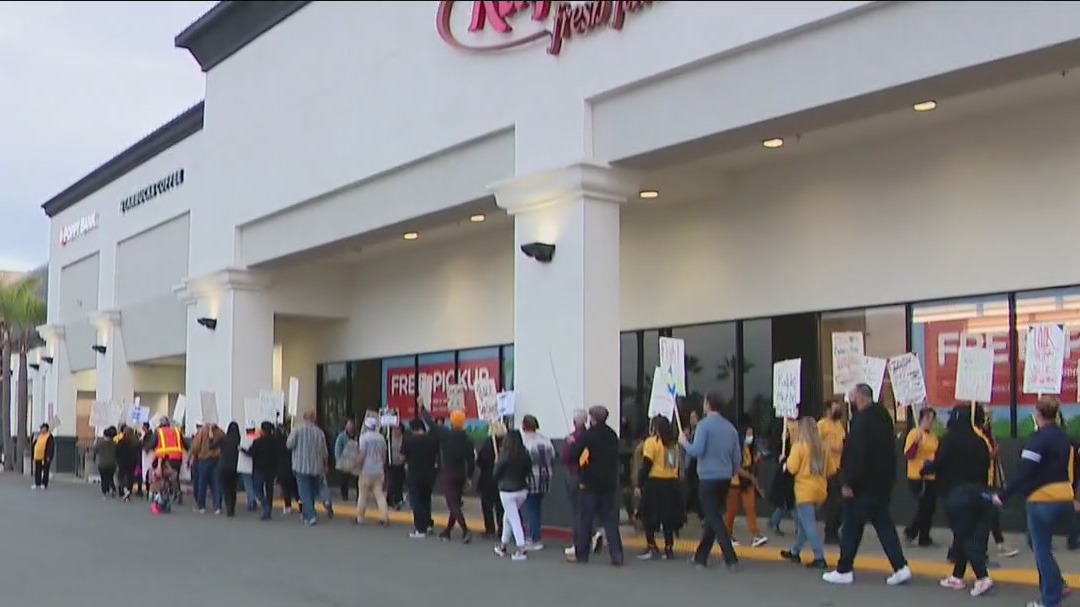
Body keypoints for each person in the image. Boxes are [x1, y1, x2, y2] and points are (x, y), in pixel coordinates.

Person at [823, 384, 911, 586]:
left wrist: (849, 481)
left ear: (861, 398)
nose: (850, 403)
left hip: (862, 486)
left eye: (852, 398)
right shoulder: (884, 418)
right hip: (881, 484)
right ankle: (900, 566)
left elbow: (858, 455)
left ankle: (844, 569)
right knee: (882, 525)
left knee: (852, 526)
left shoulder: (862, 422)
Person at [994, 396, 1078, 607]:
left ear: (1037, 414)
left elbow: (1024, 472)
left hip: (1042, 499)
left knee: (1041, 549)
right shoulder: (1063, 437)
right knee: (1036, 542)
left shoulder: (1038, 439)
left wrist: (1003, 495)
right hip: (1064, 496)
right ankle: (1057, 583)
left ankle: (1050, 599)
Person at [922, 404, 994, 596]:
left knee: (964, 535)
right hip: (979, 493)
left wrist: (927, 468)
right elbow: (986, 464)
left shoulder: (948, 440)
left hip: (956, 494)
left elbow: (940, 463)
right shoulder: (980, 441)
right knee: (964, 535)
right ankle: (957, 576)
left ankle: (982, 576)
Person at [679, 393, 740, 570]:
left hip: (707, 477)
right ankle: (701, 556)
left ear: (708, 405)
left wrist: (684, 442)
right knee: (713, 517)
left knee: (713, 517)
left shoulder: (704, 426)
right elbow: (737, 458)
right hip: (725, 477)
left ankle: (730, 558)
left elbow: (696, 451)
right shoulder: (730, 428)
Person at [566, 405, 624, 565]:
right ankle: (616, 553)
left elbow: (573, 455)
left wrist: (572, 443)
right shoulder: (612, 435)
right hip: (608, 483)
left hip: (590, 483)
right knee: (610, 520)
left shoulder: (588, 436)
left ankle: (582, 554)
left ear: (593, 419)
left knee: (586, 519)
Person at [780, 417, 837, 569]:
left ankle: (819, 557)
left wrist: (784, 463)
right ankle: (795, 551)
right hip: (820, 490)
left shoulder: (799, 447)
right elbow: (831, 470)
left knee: (809, 525)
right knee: (805, 524)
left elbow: (792, 468)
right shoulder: (824, 448)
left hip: (804, 491)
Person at [421, 406, 476, 543]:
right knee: (455, 502)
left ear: (451, 422)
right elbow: (471, 460)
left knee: (453, 504)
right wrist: (469, 476)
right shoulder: (467, 439)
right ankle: (447, 531)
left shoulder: (445, 434)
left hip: (448, 473)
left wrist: (422, 407)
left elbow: (430, 423)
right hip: (461, 473)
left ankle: (465, 530)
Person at [636, 415, 684, 560]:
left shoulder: (652, 442)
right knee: (668, 518)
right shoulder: (674, 444)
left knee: (648, 516)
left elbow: (646, 465)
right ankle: (669, 548)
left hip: (655, 483)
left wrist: (639, 483)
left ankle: (652, 546)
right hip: (672, 484)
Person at [493, 429, 533, 561]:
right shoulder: (525, 454)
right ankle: (503, 545)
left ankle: (521, 548)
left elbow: (496, 473)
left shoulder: (504, 455)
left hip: (507, 490)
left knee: (513, 518)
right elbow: (528, 470)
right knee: (508, 517)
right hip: (522, 490)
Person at [903, 408, 939, 546]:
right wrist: (916, 444)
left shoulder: (933, 437)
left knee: (930, 507)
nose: (930, 423)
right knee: (924, 505)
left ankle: (924, 536)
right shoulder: (914, 434)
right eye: (928, 419)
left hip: (931, 475)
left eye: (932, 420)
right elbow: (908, 455)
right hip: (917, 475)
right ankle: (911, 531)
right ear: (921, 419)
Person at [727, 425, 767, 548]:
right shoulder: (735, 447)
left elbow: (750, 463)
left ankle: (755, 535)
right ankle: (727, 535)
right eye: (748, 434)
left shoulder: (750, 448)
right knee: (732, 510)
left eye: (752, 433)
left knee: (750, 507)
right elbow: (737, 467)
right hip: (735, 482)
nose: (750, 436)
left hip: (747, 481)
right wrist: (751, 477)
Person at [287, 411, 330, 526]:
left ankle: (311, 516)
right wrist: (325, 464)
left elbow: (289, 445)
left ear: (304, 418)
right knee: (311, 492)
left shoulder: (297, 430)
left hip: (300, 466)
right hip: (316, 466)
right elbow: (324, 451)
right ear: (314, 419)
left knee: (304, 492)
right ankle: (306, 514)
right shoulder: (319, 433)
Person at [520, 414, 555, 550]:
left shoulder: (524, 442)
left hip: (530, 478)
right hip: (546, 477)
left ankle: (535, 538)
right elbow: (552, 457)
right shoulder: (545, 440)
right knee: (537, 507)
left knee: (531, 508)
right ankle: (535, 535)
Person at [401, 417, 439, 538]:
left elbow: (403, 457)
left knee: (416, 502)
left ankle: (420, 528)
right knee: (426, 500)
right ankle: (428, 524)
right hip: (429, 475)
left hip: (414, 475)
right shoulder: (432, 440)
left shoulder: (410, 441)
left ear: (413, 429)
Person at [818, 399, 847, 544]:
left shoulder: (839, 425)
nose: (838, 411)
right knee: (833, 503)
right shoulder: (821, 425)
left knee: (841, 502)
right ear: (828, 410)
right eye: (835, 408)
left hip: (839, 468)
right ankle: (830, 533)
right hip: (827, 469)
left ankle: (834, 529)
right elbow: (815, 444)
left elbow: (843, 443)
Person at [355, 416, 390, 525]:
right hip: (378, 470)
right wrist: (382, 466)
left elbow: (362, 455)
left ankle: (360, 518)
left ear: (366, 426)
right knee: (380, 495)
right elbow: (384, 455)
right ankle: (384, 517)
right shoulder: (381, 438)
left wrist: (357, 466)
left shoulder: (364, 438)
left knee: (362, 495)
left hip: (366, 470)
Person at [144, 418, 186, 503]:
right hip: (178, 457)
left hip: (166, 457)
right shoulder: (177, 431)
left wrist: (146, 448)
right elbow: (185, 443)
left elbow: (152, 443)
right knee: (175, 475)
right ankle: (176, 492)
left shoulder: (159, 432)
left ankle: (169, 493)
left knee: (165, 475)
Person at [243, 421, 278, 521]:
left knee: (257, 488)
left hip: (259, 469)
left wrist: (242, 449)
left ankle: (264, 504)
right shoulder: (274, 442)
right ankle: (268, 509)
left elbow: (251, 453)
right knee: (269, 489)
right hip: (271, 469)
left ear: (262, 430)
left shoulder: (258, 441)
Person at [476, 422, 506, 539]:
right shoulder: (507, 443)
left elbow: (480, 461)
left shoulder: (488, 444)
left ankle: (490, 528)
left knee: (487, 505)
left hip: (488, 478)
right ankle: (502, 528)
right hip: (502, 479)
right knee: (500, 507)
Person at [190, 422, 226, 514]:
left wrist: (194, 454)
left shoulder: (202, 431)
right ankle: (217, 506)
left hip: (204, 459)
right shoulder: (220, 432)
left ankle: (201, 506)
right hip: (217, 459)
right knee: (216, 483)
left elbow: (195, 447)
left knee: (202, 483)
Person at [219, 422, 242, 517]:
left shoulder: (224, 439)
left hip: (224, 465)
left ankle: (228, 506)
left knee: (226, 488)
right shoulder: (239, 440)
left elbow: (213, 445)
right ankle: (232, 506)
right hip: (235, 466)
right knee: (233, 488)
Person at [334, 417, 359, 500]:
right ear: (346, 426)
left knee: (357, 480)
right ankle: (344, 496)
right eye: (349, 425)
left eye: (352, 425)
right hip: (344, 461)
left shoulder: (358, 436)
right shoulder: (341, 436)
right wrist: (338, 459)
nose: (351, 427)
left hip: (355, 461)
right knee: (344, 480)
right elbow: (337, 449)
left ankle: (358, 497)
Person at [93, 426, 119, 498]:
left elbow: (95, 450)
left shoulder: (100, 443)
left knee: (104, 478)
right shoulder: (115, 444)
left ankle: (105, 491)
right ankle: (113, 489)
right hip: (112, 464)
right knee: (110, 477)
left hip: (102, 464)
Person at [238, 424, 258, 512]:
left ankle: (251, 501)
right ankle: (252, 500)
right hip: (255, 466)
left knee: (248, 485)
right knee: (253, 484)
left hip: (244, 466)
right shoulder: (257, 439)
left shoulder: (243, 439)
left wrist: (241, 449)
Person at [31, 423, 55, 490]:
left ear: (46, 429)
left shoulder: (49, 437)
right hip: (38, 456)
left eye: (43, 428)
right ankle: (37, 483)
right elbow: (34, 445)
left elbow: (51, 447)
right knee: (37, 470)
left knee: (45, 470)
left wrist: (49, 456)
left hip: (45, 456)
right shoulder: (39, 436)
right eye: (41, 428)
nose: (42, 429)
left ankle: (44, 483)